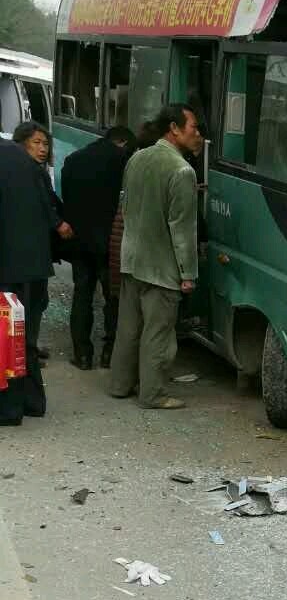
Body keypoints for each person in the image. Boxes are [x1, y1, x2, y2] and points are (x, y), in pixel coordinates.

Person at [109, 104, 202, 410]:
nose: (198, 134)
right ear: (174, 129)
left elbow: (126, 206)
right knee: (158, 333)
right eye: (193, 128)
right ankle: (153, 393)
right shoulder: (182, 171)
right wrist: (188, 273)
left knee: (129, 328)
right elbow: (182, 230)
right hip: (162, 267)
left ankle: (120, 385)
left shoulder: (137, 158)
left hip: (131, 258)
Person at [60, 125, 135, 370]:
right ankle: (109, 353)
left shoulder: (72, 160)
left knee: (82, 294)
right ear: (122, 142)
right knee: (112, 297)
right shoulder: (122, 160)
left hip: (79, 241)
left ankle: (82, 355)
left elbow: (67, 200)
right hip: (109, 244)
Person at [0, 138, 57, 424]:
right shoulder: (22, 158)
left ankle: (9, 409)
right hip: (31, 268)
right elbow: (48, 207)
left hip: (5, 269)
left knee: (5, 341)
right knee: (23, 337)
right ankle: (32, 401)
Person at [12, 121, 73, 364]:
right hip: (30, 251)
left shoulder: (35, 170)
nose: (42, 149)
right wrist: (58, 223)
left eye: (45, 143)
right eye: (36, 143)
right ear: (21, 144)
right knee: (31, 301)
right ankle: (26, 352)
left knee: (36, 300)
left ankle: (30, 347)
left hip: (35, 250)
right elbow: (43, 204)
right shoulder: (29, 171)